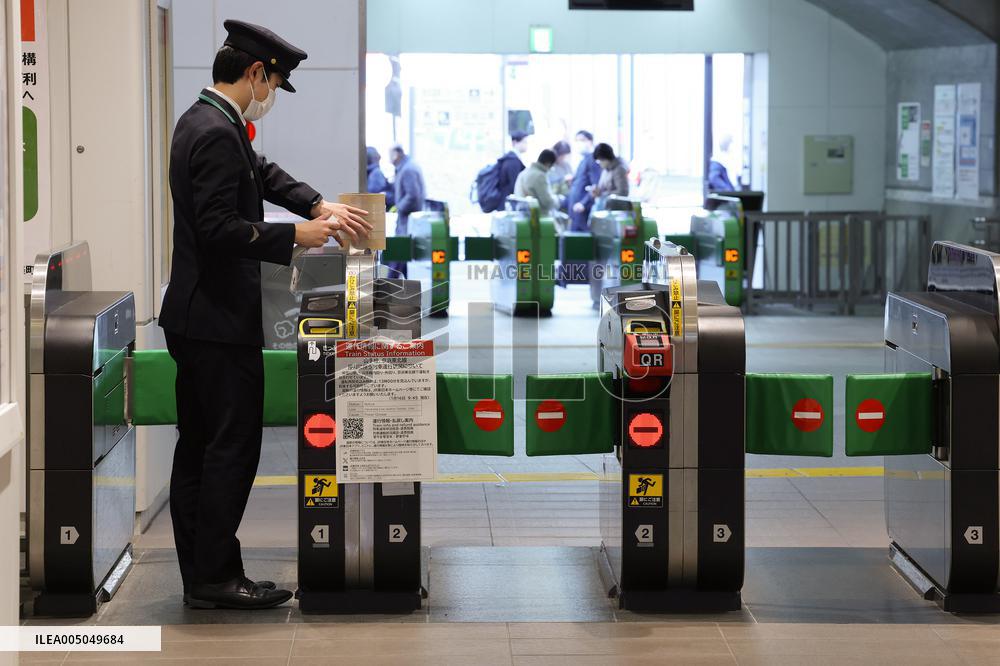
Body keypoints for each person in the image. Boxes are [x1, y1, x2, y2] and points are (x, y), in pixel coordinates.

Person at [159, 20, 371, 611]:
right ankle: (217, 577)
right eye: (273, 81)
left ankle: (203, 574)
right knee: (228, 447)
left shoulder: (210, 122)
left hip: (198, 317)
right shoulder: (213, 132)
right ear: (255, 73)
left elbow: (260, 172)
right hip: (215, 322)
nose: (271, 93)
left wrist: (316, 203)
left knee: (200, 447)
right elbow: (218, 228)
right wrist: (298, 235)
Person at [388, 145, 426, 277]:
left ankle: (389, 287)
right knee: (402, 257)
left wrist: (400, 207)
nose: (389, 158)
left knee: (400, 253)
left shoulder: (408, 169)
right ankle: (402, 286)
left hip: (407, 220)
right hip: (406, 220)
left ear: (397, 154)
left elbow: (413, 196)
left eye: (390, 154)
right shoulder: (406, 167)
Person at [568, 130, 603, 231]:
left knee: (583, 240)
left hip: (582, 209)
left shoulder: (592, 159)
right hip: (576, 208)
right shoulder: (584, 160)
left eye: (582, 140)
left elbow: (596, 186)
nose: (579, 143)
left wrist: (583, 203)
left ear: (590, 141)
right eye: (577, 140)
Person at [514, 149, 560, 216]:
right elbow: (548, 202)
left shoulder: (523, 173)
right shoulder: (540, 176)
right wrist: (558, 200)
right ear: (548, 164)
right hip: (537, 219)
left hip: (522, 216)